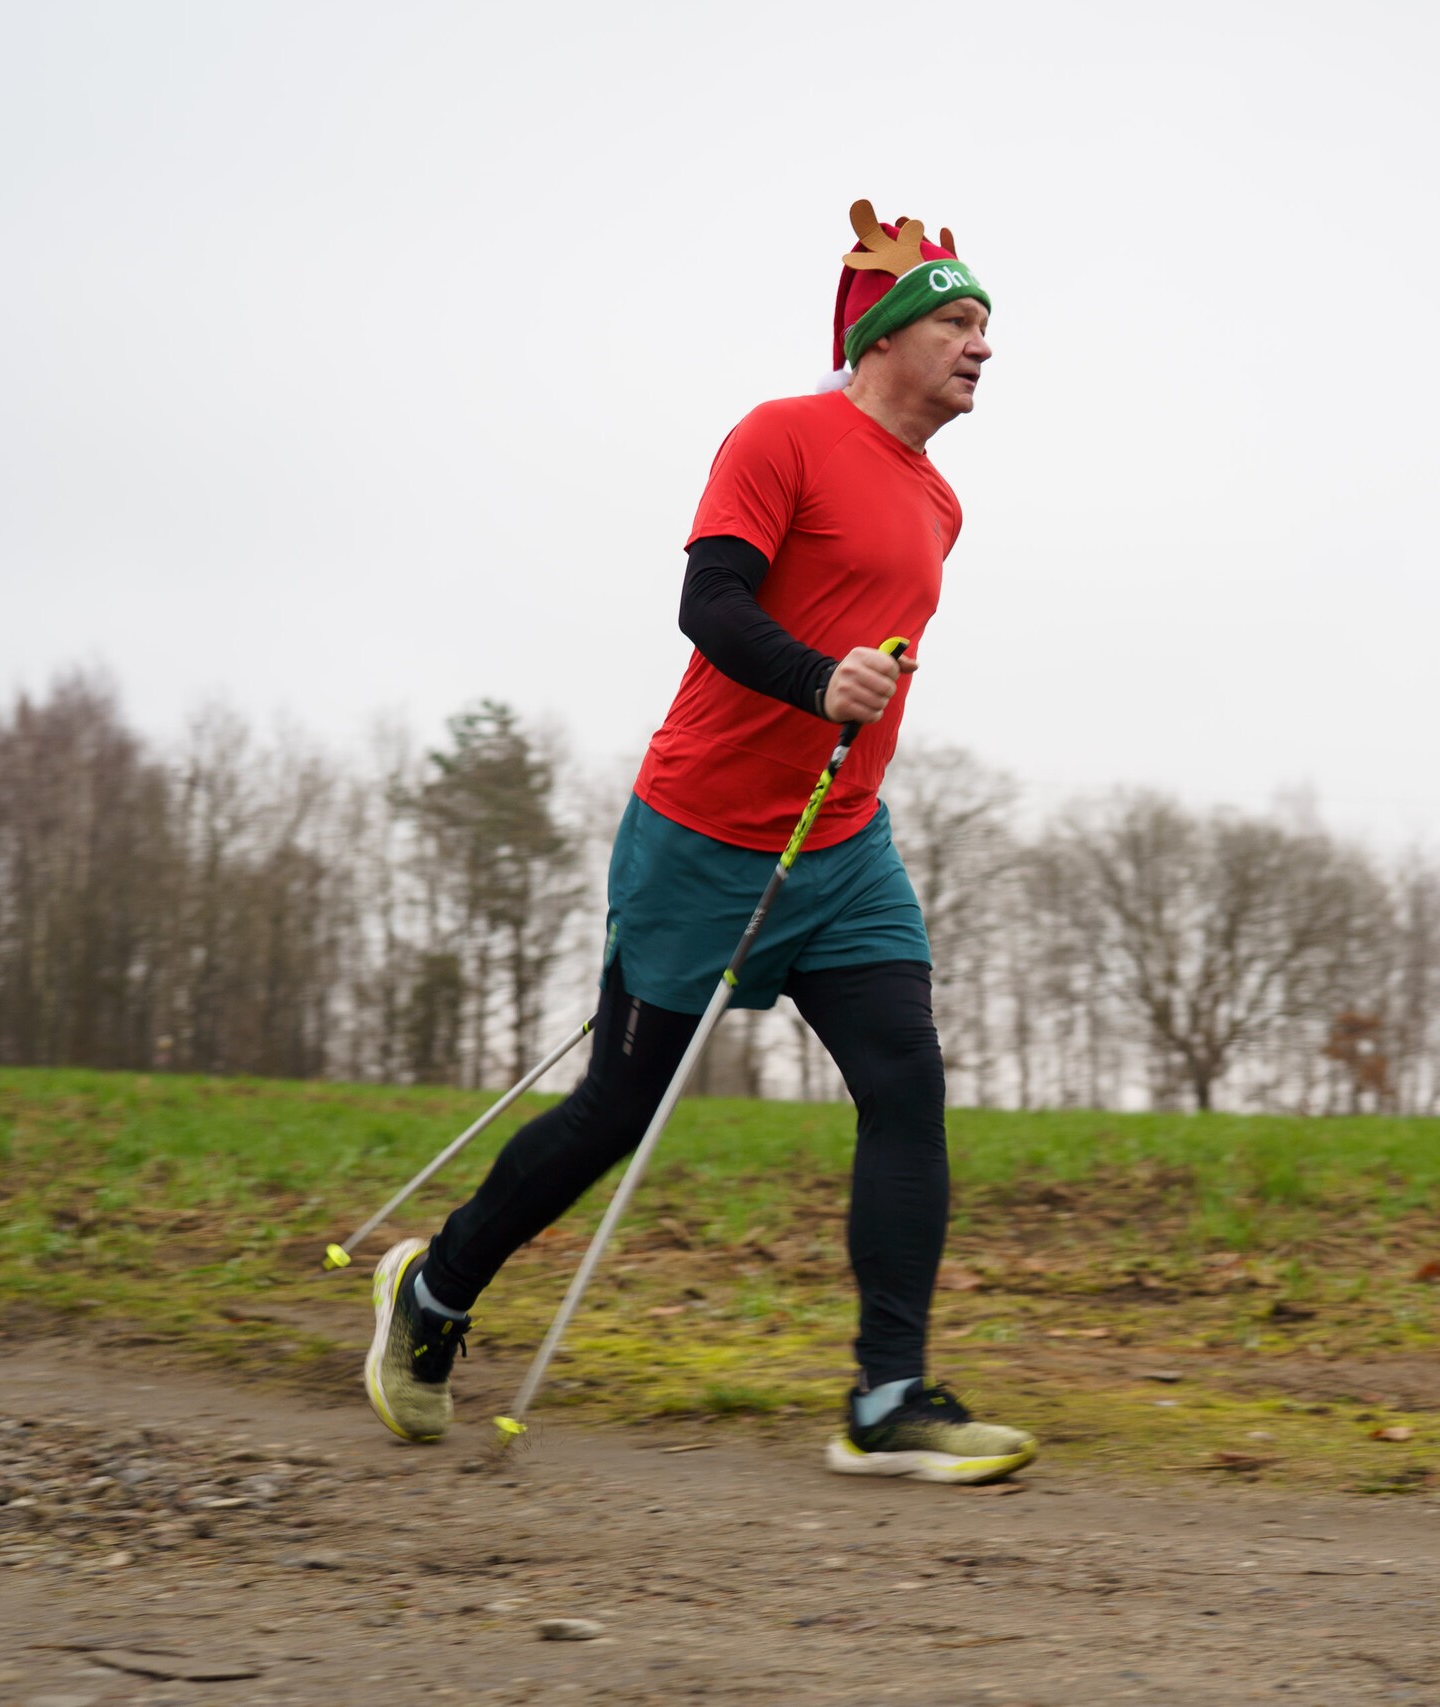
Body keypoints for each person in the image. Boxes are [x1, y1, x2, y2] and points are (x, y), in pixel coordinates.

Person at [363, 201, 1033, 1485]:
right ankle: (433, 1293)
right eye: (956, 319)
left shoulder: (941, 503)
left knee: (905, 1081)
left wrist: (845, 716)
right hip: (703, 837)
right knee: (614, 1111)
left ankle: (888, 1400)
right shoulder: (780, 435)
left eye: (985, 324)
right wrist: (815, 680)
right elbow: (708, 601)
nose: (982, 345)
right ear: (882, 336)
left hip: (842, 848)